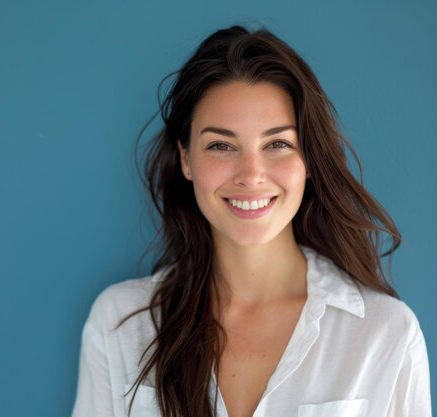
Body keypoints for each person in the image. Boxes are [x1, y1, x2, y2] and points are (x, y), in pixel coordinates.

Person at [71, 25, 431, 417]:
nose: (251, 174)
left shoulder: (384, 334)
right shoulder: (120, 324)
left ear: (308, 159)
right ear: (187, 159)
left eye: (277, 144)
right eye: (221, 146)